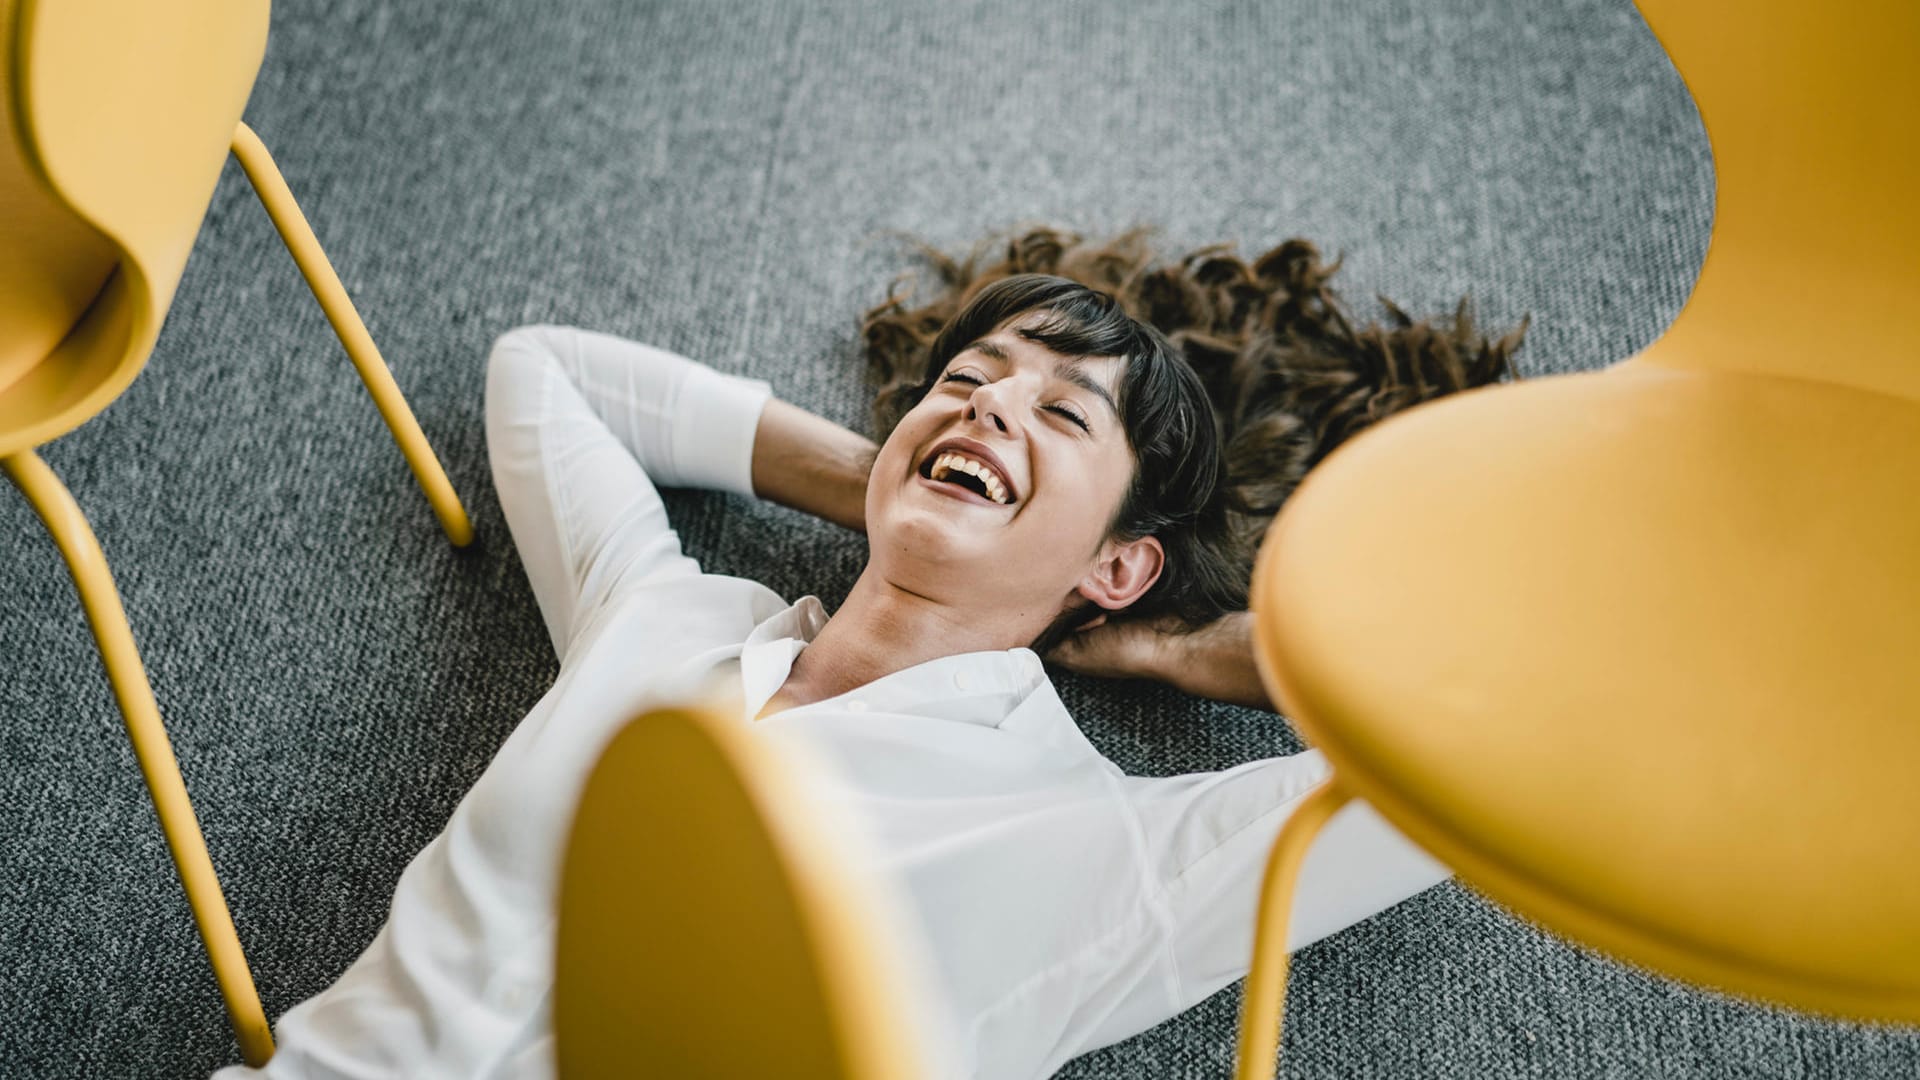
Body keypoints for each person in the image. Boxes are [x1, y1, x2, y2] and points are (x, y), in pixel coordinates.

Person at [213, 260, 1493, 1080]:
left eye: (1061, 415)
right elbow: (545, 375)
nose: (992, 404)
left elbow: (1477, 761)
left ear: (1119, 565)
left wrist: (1198, 652)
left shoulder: (1102, 850)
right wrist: (899, 481)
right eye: (969, 379)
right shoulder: (669, 618)